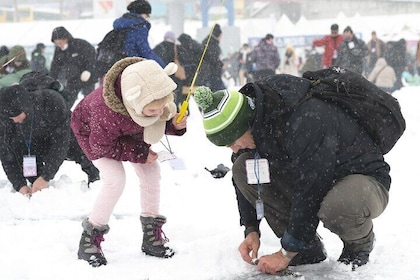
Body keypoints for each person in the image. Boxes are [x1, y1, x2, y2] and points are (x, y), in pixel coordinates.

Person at [193, 79, 390, 274]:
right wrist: (251, 228)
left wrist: (285, 253)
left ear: (246, 124)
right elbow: (249, 175)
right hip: (312, 178)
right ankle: (306, 250)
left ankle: (359, 244)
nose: (234, 148)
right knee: (241, 167)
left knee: (338, 206)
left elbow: (311, 187)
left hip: (362, 179)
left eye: (233, 142)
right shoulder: (256, 124)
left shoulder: (303, 118)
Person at [70, 57, 187, 267]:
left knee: (151, 171)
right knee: (115, 179)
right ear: (134, 103)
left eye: (162, 108)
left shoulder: (151, 93)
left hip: (127, 127)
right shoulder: (104, 111)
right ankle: (89, 239)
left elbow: (156, 120)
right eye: (153, 110)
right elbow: (101, 147)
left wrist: (174, 125)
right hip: (93, 134)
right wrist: (139, 153)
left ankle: (151, 235)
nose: (159, 113)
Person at [0, 80, 99, 196]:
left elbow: (61, 144)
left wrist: (46, 176)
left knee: (83, 151)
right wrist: (20, 185)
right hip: (32, 146)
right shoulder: (6, 119)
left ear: (25, 107)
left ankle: (96, 182)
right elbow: (6, 155)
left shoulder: (52, 101)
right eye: (11, 118)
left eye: (17, 116)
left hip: (64, 136)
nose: (15, 120)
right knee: (34, 180)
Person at [50, 26, 97, 106]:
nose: (59, 45)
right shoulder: (58, 50)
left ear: (66, 39)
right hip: (73, 79)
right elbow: (55, 66)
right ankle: (67, 117)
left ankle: (92, 116)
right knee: (67, 102)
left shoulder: (81, 44)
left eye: (60, 43)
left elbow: (92, 57)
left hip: (87, 78)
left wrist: (88, 70)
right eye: (56, 43)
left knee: (90, 101)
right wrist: (51, 80)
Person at [112, 0, 165, 68]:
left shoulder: (121, 25)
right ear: (141, 13)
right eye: (147, 14)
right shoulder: (139, 27)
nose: (147, 17)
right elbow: (145, 51)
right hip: (132, 66)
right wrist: (162, 66)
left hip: (117, 65)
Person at [153, 31, 185, 108]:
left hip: (162, 76)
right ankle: (175, 109)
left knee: (164, 98)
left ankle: (165, 111)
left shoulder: (158, 47)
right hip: (175, 76)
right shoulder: (177, 48)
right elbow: (183, 61)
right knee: (175, 96)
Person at [197, 23, 225, 91]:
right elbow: (213, 58)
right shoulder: (212, 44)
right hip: (211, 73)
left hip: (207, 73)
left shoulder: (207, 41)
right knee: (220, 92)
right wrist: (221, 64)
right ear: (219, 35)